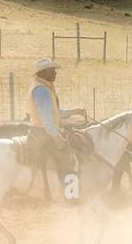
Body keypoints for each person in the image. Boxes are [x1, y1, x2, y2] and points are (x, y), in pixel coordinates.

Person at [26, 58, 88, 189]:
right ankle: (70, 193)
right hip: (43, 132)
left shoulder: (42, 87)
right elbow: (46, 118)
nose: (55, 73)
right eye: (52, 70)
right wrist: (57, 137)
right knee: (68, 157)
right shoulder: (42, 90)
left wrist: (74, 111)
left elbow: (54, 112)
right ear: (42, 73)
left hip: (40, 130)